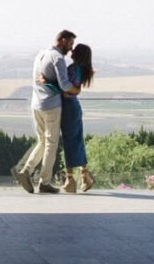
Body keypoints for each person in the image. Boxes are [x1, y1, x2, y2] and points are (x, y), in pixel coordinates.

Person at [15, 30, 80, 194]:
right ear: (63, 40)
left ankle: (26, 171)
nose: (71, 49)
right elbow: (65, 85)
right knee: (51, 143)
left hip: (36, 104)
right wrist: (76, 90)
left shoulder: (40, 55)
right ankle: (44, 182)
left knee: (42, 141)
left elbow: (40, 80)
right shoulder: (57, 58)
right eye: (70, 44)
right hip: (51, 106)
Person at [58, 43, 95, 193]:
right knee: (77, 141)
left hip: (68, 108)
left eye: (75, 49)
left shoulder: (73, 69)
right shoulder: (80, 69)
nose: (71, 51)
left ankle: (71, 179)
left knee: (69, 143)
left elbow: (69, 91)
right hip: (73, 107)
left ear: (78, 54)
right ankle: (84, 176)